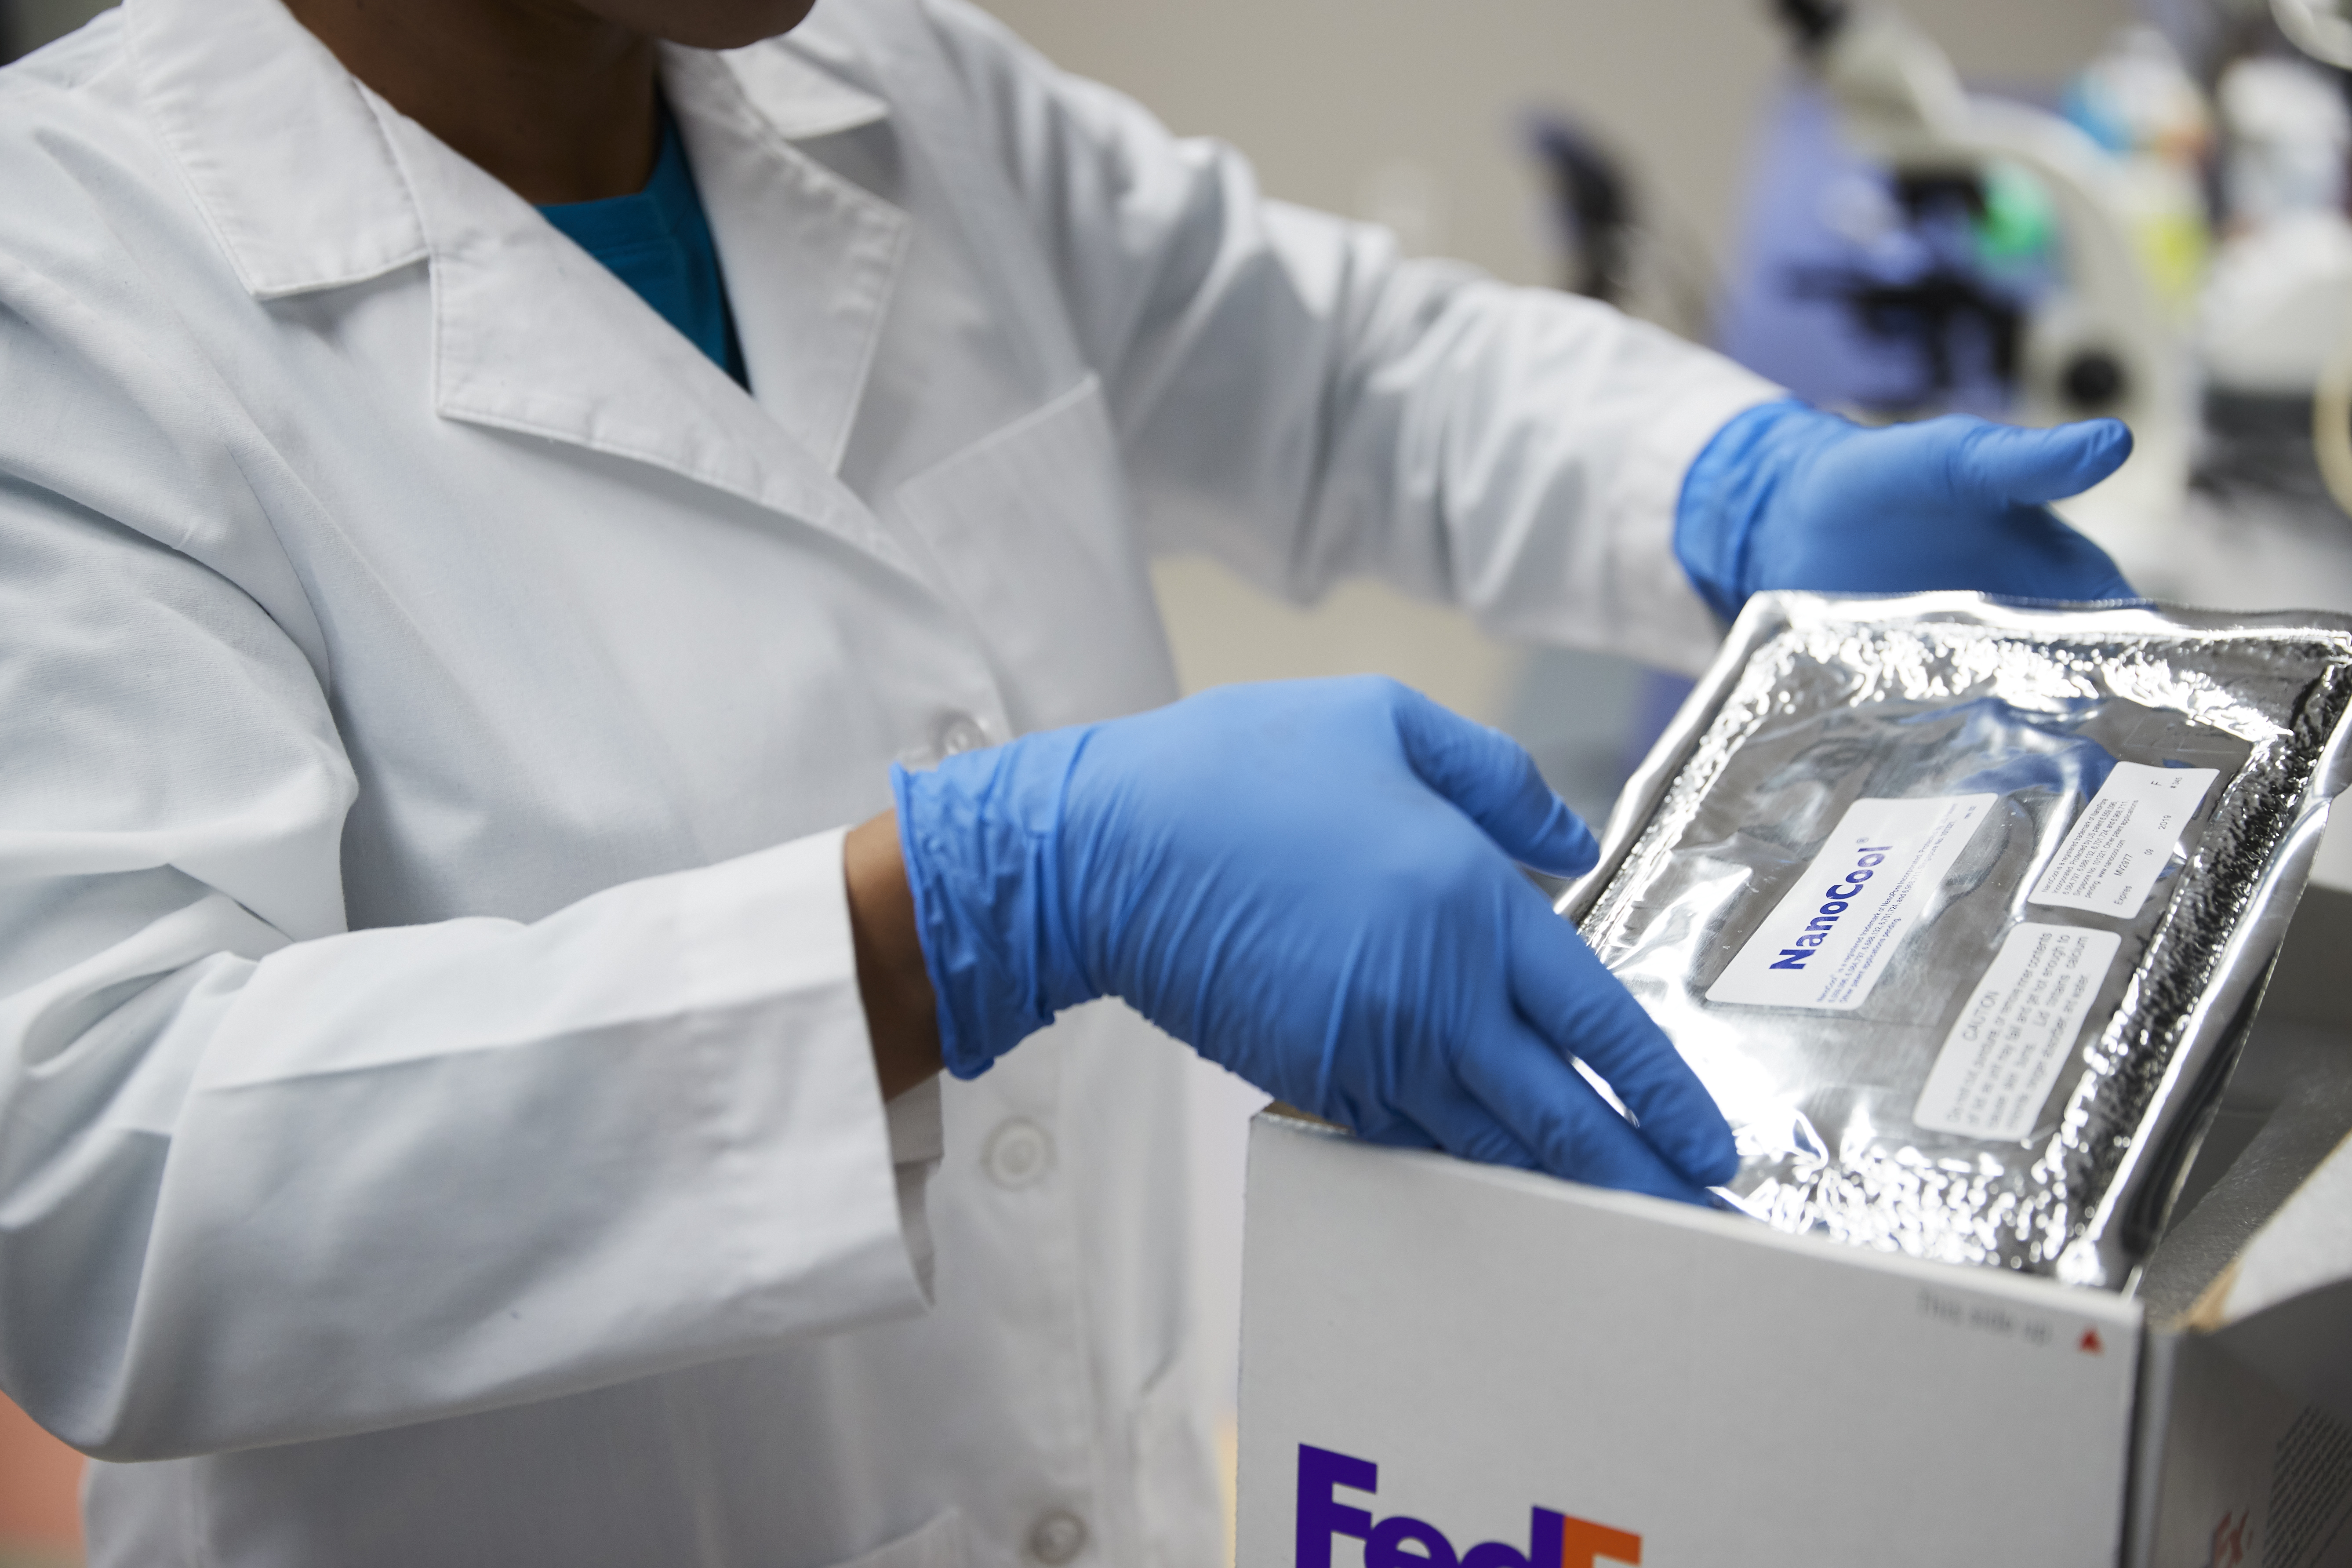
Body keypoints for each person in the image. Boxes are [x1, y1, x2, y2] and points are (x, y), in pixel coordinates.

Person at [0, 0, 2135, 1562]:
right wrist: (969, 910)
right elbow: (107, 1177)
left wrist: (1732, 488)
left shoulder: (888, 83)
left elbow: (1338, 370)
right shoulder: (72, 284)